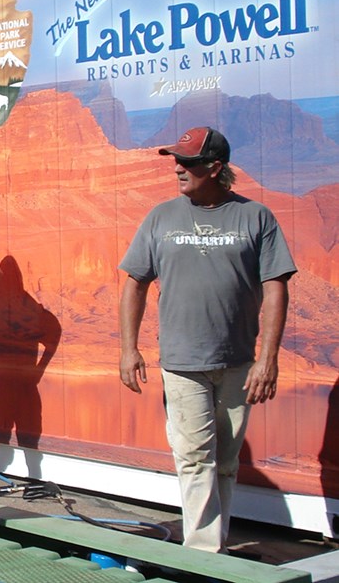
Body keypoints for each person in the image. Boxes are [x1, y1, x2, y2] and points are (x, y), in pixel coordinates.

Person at [118, 126, 295, 553]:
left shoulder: (256, 218)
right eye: (177, 160)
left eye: (189, 162)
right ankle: (203, 553)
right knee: (196, 455)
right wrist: (129, 348)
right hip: (181, 361)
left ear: (215, 167)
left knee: (227, 462)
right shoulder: (161, 217)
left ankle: (213, 540)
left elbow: (276, 287)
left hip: (238, 361)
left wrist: (267, 360)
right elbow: (134, 283)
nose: (178, 168)